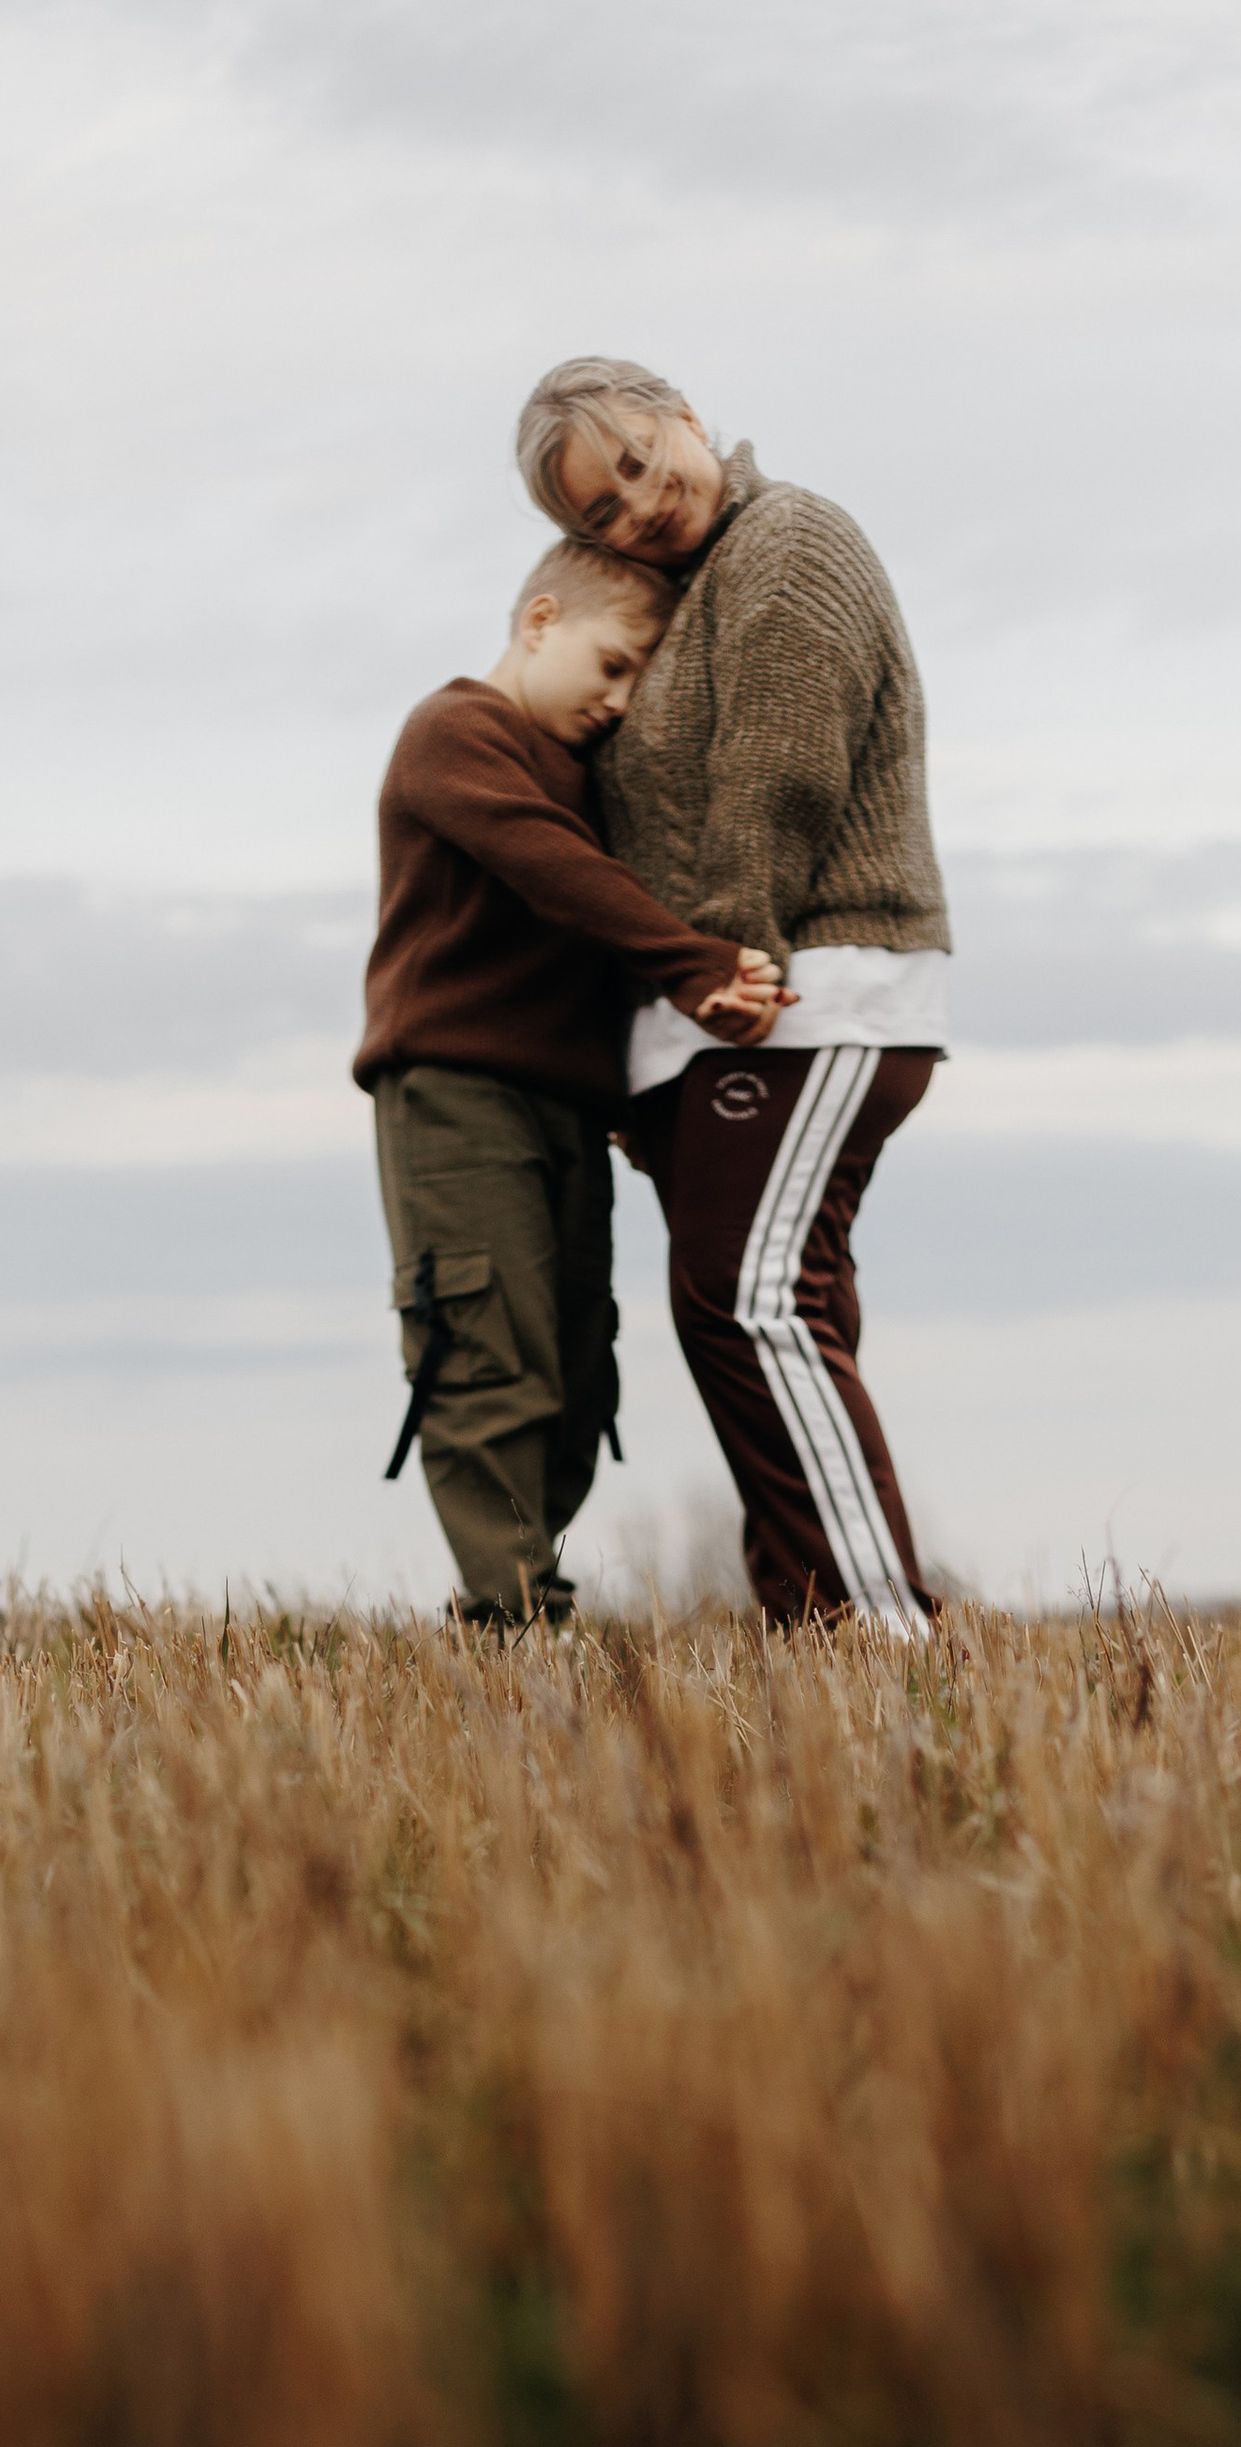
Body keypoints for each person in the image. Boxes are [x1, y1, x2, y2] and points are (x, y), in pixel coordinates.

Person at [515, 358, 950, 1632]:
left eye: (643, 464)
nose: (639, 506)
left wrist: (717, 983)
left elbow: (777, 775)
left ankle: (875, 1629)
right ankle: (818, 1616)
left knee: (752, 1302)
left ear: (690, 418)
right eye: (600, 511)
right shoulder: (681, 595)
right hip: (740, 1008)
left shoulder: (788, 539)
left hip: (816, 988)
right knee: (768, 1308)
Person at [354, 539, 782, 1630]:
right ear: (540, 620)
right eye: (612, 665)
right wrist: (694, 965)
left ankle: (519, 1587)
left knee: (580, 1371)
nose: (620, 702)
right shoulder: (455, 734)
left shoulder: (593, 777)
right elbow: (553, 871)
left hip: (568, 1109)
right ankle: (512, 1620)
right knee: (486, 1351)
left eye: (642, 684)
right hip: (452, 1092)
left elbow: (590, 947)